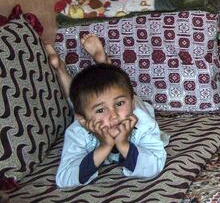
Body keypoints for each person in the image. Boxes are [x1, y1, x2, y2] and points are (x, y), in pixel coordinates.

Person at [45, 36, 167, 188]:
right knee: (80, 102)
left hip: (137, 104)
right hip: (92, 110)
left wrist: (123, 144)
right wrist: (104, 146)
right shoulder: (78, 130)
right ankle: (60, 70)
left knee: (115, 88)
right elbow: (64, 178)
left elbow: (154, 164)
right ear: (82, 122)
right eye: (101, 110)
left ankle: (105, 65)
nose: (114, 115)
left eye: (119, 104)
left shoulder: (142, 122)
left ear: (131, 103)